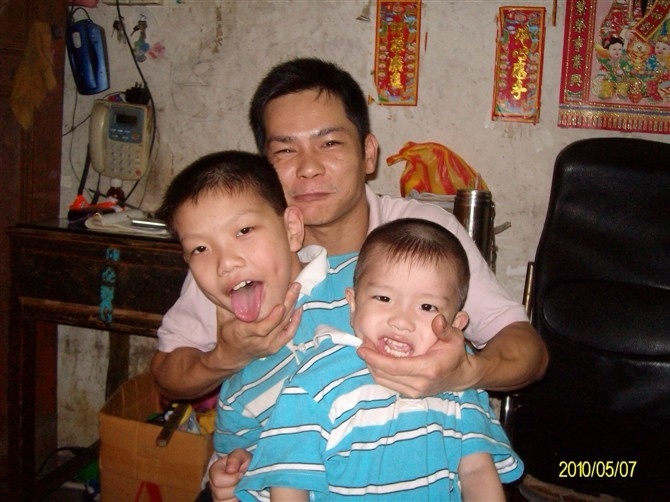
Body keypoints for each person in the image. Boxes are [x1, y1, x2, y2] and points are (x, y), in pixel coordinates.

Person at [150, 58, 547, 499]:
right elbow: (168, 375)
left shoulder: (420, 237)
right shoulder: (236, 254)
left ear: (368, 153)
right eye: (285, 151)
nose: (308, 168)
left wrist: (464, 372)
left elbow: (528, 353)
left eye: (329, 143)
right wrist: (225, 357)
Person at [236, 219, 524, 501]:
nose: (401, 321)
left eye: (426, 306)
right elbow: (288, 481)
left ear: (456, 324)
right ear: (353, 305)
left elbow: (476, 471)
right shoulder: (314, 382)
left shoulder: (458, 386)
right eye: (384, 298)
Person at [155, 150, 358, 500]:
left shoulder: (365, 283)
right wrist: (231, 479)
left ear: (291, 229)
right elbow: (238, 462)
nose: (226, 263)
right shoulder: (238, 392)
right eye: (200, 249)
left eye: (244, 230)